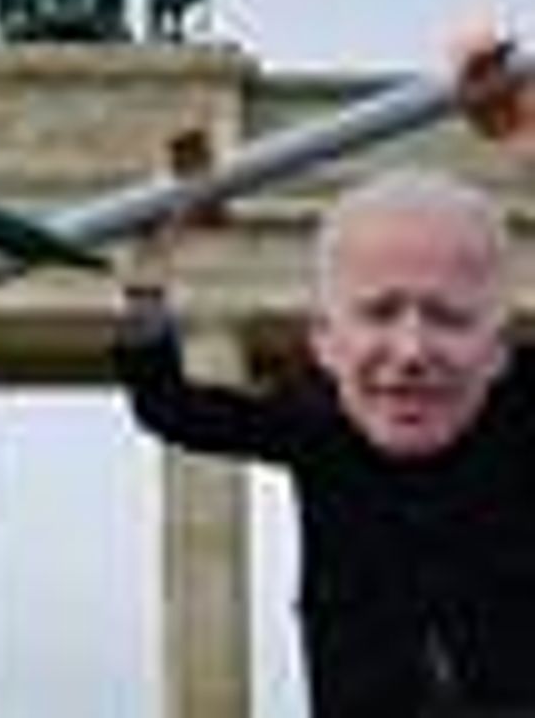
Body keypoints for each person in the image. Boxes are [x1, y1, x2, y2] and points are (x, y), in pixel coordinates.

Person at [114, 161, 535, 718]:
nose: (411, 353)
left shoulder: (524, 407)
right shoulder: (319, 426)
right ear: (325, 344)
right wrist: (144, 293)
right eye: (380, 313)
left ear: (499, 348)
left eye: (448, 317)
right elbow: (172, 407)